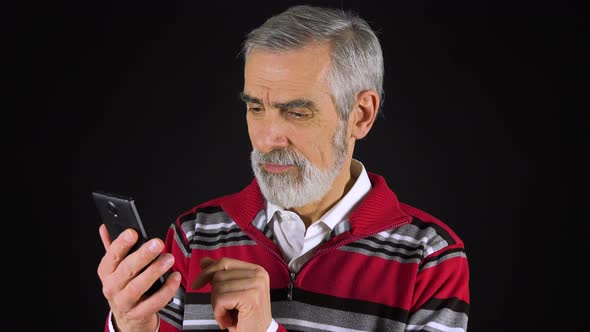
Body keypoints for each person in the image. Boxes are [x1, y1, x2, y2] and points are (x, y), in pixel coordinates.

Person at [97, 4, 470, 332]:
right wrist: (133, 327)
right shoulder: (194, 236)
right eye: (256, 108)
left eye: (296, 111)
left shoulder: (430, 258)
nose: (268, 138)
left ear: (360, 115)